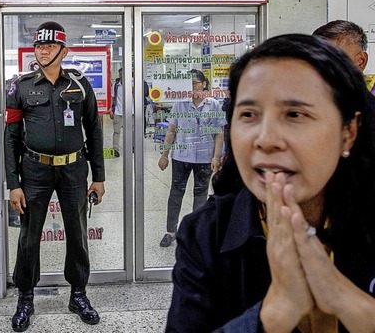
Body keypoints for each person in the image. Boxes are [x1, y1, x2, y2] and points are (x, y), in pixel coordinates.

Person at [166, 34, 375, 332]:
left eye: (294, 114)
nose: (266, 140)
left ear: (349, 132)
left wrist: (347, 301)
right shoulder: (206, 234)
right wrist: (274, 314)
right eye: (249, 114)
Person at [5, 21, 106, 332]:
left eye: (49, 46)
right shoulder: (20, 86)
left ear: (64, 51)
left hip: (74, 169)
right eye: (39, 45)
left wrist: (99, 177)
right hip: (34, 170)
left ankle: (78, 294)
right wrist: (14, 184)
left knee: (77, 233)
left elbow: (94, 131)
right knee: (28, 236)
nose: (43, 50)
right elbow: (10, 138)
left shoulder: (79, 85)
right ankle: (25, 297)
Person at [157, 69, 226, 248]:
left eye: (196, 83)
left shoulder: (214, 105)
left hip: (204, 157)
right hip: (181, 156)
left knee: (200, 195)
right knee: (176, 193)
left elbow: (219, 134)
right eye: (190, 83)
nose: (193, 86)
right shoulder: (180, 104)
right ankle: (171, 231)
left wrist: (217, 157)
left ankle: (197, 233)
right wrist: (165, 154)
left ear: (204, 84)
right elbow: (171, 131)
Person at [110, 68, 124, 157]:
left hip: (131, 112)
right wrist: (111, 110)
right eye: (120, 74)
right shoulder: (116, 85)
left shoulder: (134, 83)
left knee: (132, 130)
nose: (122, 76)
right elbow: (112, 98)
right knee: (116, 131)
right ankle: (115, 149)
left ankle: (133, 147)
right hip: (118, 111)